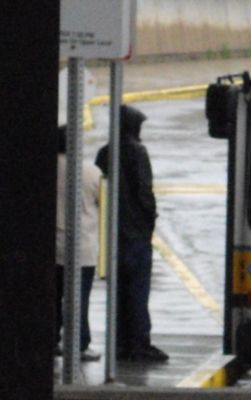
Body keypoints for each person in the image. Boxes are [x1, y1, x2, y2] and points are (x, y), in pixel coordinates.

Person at [95, 104, 168, 362]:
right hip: (135, 234)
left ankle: (120, 342)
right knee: (138, 291)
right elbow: (145, 192)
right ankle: (139, 342)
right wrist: (150, 220)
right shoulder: (138, 152)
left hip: (111, 235)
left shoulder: (104, 153)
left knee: (118, 291)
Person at [55, 125, 102, 362]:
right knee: (79, 298)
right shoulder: (91, 172)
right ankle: (80, 343)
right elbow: (104, 203)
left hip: (53, 246)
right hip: (82, 247)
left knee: (52, 296)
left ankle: (52, 339)